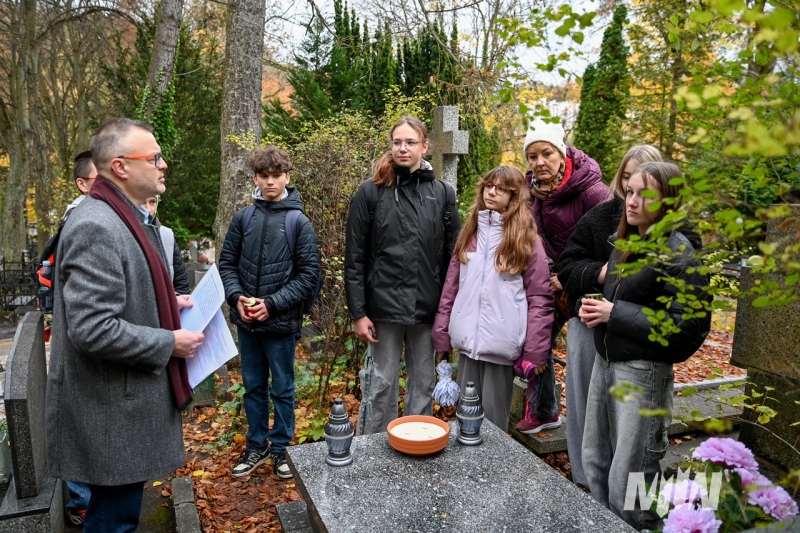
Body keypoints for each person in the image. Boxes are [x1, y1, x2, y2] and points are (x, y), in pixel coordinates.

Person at [45, 118, 205, 532]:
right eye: (154, 158)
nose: (163, 165)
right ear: (120, 167)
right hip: (111, 410)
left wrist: (169, 300)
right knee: (114, 520)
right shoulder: (98, 225)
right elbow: (92, 328)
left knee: (119, 514)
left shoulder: (124, 217)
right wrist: (168, 342)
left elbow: (126, 288)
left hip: (121, 406)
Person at [579, 162, 711, 530]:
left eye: (644, 193)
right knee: (596, 462)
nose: (632, 201)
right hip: (607, 362)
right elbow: (621, 301)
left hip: (641, 373)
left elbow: (688, 328)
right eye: (630, 191)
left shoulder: (680, 253)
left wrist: (614, 313)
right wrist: (595, 310)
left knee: (631, 480)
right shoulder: (627, 242)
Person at [344, 115, 460, 435]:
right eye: (397, 142)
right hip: (382, 309)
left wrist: (448, 311)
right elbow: (354, 257)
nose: (403, 148)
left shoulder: (442, 194)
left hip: (427, 309)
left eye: (410, 142)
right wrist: (358, 312)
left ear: (424, 146)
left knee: (423, 383)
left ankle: (415, 445)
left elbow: (454, 257)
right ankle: (372, 450)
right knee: (379, 386)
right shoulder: (370, 193)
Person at [556, 145, 662, 488]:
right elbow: (568, 265)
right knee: (585, 406)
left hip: (635, 340)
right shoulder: (602, 217)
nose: (633, 190)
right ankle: (586, 480)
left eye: (643, 181)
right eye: (628, 178)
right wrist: (601, 274)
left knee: (629, 426)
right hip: (588, 325)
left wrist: (618, 310)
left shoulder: (674, 235)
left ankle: (624, 494)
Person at [218, 146, 320, 479]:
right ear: (255, 179)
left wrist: (271, 305)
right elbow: (227, 264)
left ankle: (281, 449)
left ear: (287, 177)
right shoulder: (243, 218)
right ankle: (256, 446)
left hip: (281, 323)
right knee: (253, 387)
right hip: (247, 323)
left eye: (277, 176)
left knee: (283, 388)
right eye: (264, 176)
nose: (271, 182)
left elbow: (308, 275)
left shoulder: (297, 221)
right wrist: (236, 299)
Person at [431, 166, 554, 430]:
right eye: (488, 186)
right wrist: (442, 332)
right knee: (465, 417)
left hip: (501, 344)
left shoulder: (525, 239)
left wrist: (535, 350)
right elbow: (451, 289)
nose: (492, 192)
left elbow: (540, 298)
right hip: (467, 344)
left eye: (501, 188)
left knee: (493, 424)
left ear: (514, 195)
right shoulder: (469, 234)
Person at [516, 120, 612, 435]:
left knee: (588, 356)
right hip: (548, 280)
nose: (539, 162)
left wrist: (569, 277)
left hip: (589, 282)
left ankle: (597, 423)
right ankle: (545, 411)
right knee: (534, 339)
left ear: (561, 152)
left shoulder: (592, 190)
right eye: (532, 156)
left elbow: (611, 246)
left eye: (546, 153)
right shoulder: (530, 192)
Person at [143, 196, 190, 296]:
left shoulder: (167, 235)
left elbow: (181, 285)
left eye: (152, 202)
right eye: (142, 202)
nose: (148, 209)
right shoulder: (121, 233)